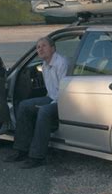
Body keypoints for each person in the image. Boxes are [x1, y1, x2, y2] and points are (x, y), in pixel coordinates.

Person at [4, 36, 68, 169]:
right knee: (24, 106)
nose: (40, 49)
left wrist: (48, 104)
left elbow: (64, 91)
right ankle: (21, 150)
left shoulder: (61, 63)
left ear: (53, 48)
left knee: (44, 111)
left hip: (64, 101)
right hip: (52, 98)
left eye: (43, 46)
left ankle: (37, 156)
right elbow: (50, 91)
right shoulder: (44, 65)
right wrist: (46, 101)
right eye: (38, 47)